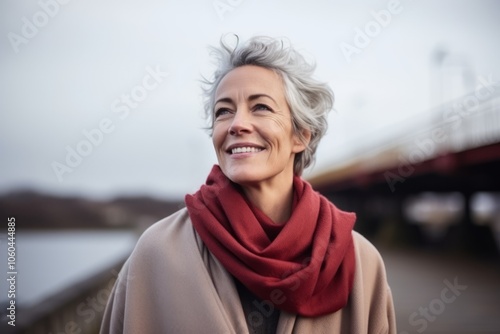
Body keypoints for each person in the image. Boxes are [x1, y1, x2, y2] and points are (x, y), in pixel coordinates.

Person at [100, 35, 396, 334]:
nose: (236, 123)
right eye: (223, 111)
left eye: (261, 107)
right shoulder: (157, 253)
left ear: (301, 136)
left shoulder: (360, 262)